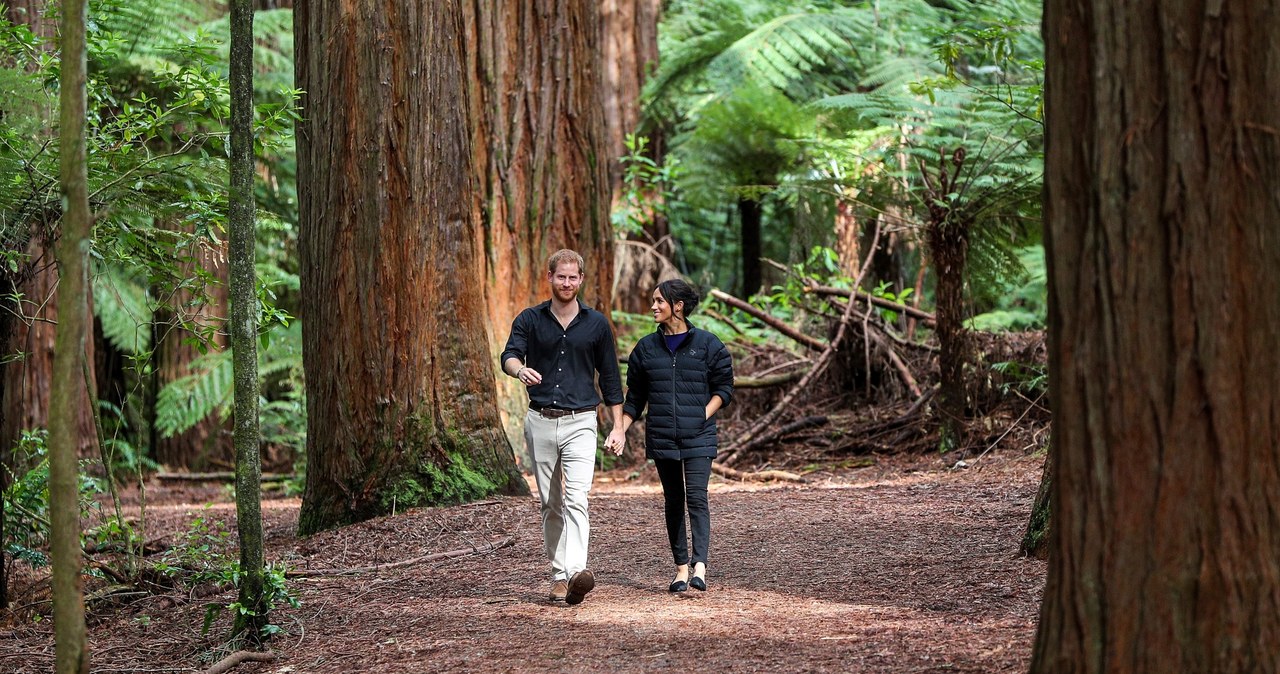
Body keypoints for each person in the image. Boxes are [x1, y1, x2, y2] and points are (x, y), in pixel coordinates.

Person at [501, 249, 624, 605]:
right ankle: (557, 575)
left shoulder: (597, 324)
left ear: (580, 280)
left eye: (573, 277)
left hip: (582, 421)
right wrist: (519, 370)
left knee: (577, 499)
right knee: (551, 503)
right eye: (561, 277)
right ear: (550, 277)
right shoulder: (530, 319)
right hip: (540, 421)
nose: (567, 283)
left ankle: (575, 573)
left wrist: (618, 427)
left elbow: (611, 378)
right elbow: (509, 355)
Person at [604, 279, 733, 593]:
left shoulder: (708, 345)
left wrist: (700, 415)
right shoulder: (646, 349)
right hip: (662, 437)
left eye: (659, 301)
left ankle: (699, 566)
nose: (653, 306)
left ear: (678, 306)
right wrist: (619, 429)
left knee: (697, 498)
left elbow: (724, 389)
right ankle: (680, 569)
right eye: (653, 301)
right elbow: (635, 398)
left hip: (699, 436)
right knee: (674, 501)